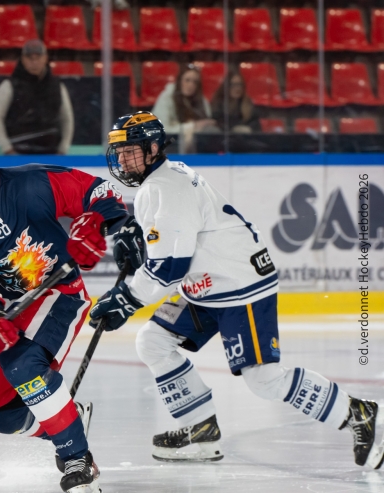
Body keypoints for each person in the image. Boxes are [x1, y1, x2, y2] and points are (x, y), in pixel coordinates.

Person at [90, 111, 384, 469]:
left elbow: (168, 269)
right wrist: (138, 231)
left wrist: (125, 299)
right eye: (118, 151)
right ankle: (200, 429)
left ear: (153, 148)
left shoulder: (165, 187)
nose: (121, 159)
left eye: (130, 150)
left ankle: (357, 413)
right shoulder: (164, 178)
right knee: (153, 341)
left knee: (263, 379)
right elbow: (172, 239)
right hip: (208, 286)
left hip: (239, 286)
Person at [0, 124, 137, 493]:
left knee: (23, 366)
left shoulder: (30, 184)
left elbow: (99, 191)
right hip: (12, 309)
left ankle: (77, 460)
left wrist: (98, 221)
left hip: (59, 292)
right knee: (4, 416)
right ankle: (67, 415)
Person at [0, 40, 74, 155]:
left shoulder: (58, 87)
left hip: (51, 154)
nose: (34, 62)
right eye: (30, 58)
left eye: (38, 57)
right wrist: (7, 149)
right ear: (22, 59)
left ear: (45, 58)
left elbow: (67, 120)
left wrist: (63, 148)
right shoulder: (8, 86)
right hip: (18, 155)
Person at [151, 65, 217, 153]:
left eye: (195, 82)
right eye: (187, 80)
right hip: (170, 143)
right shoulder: (167, 97)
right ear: (179, 81)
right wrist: (193, 126)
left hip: (199, 145)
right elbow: (162, 130)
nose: (191, 85)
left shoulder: (202, 101)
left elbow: (206, 123)